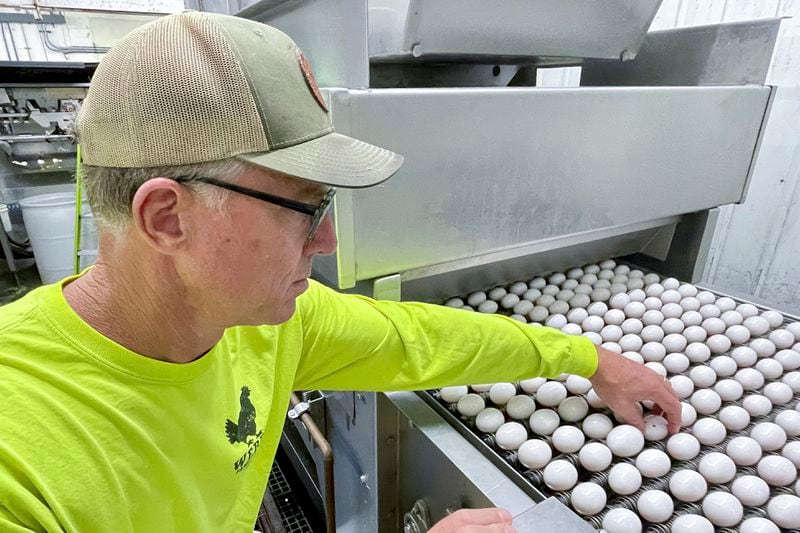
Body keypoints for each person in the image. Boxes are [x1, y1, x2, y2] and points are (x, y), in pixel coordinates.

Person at [0, 11, 680, 533]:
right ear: (168, 219)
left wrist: (589, 358)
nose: (326, 241)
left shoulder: (254, 324)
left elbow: (417, 338)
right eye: (304, 206)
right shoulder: (21, 460)